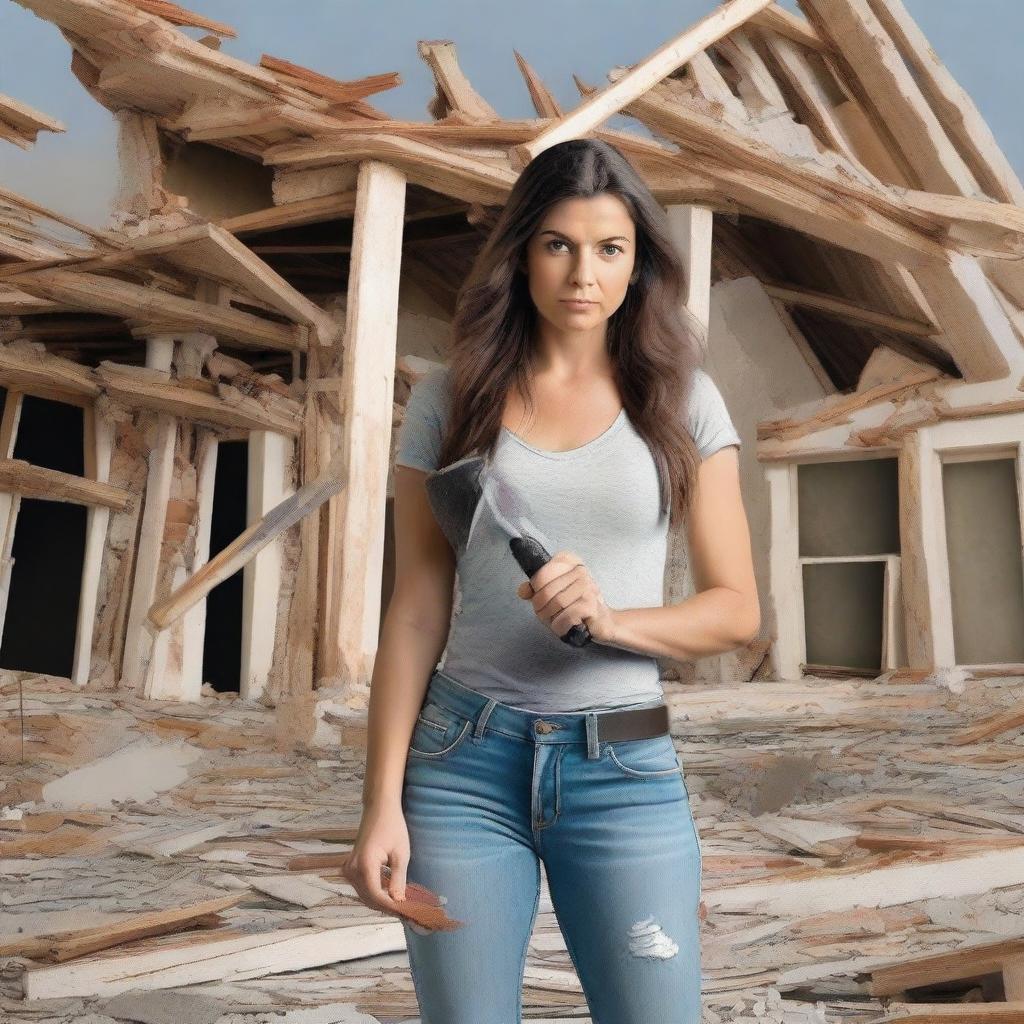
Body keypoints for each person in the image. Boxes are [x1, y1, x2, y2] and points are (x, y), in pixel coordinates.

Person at [343, 137, 759, 1024]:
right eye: (559, 244)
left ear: (638, 262)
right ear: (523, 252)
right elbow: (416, 611)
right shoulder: (451, 400)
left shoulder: (684, 401)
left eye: (611, 248)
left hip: (623, 770)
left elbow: (736, 612)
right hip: (462, 765)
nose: (584, 273)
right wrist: (381, 804)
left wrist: (612, 621)